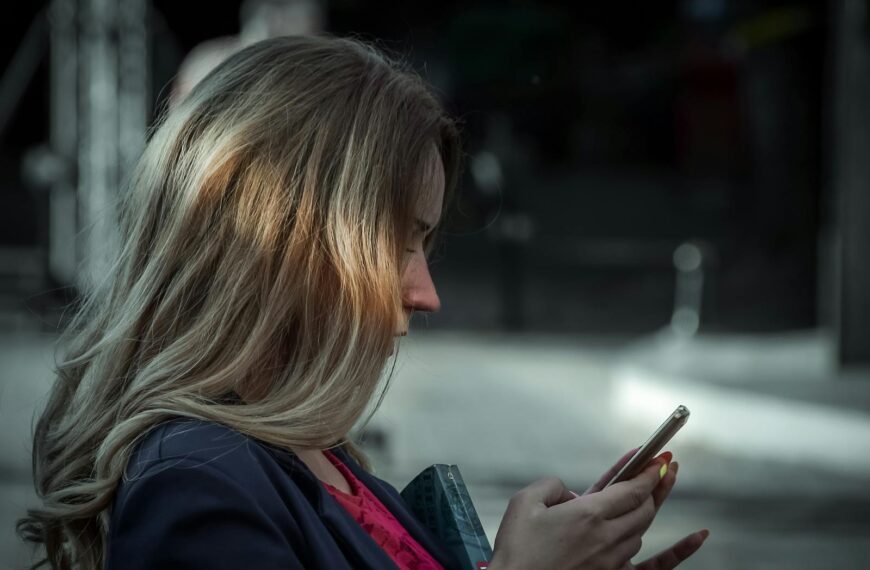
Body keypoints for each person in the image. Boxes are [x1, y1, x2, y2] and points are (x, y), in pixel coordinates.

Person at [16, 35, 709, 569]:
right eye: (398, 243)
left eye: (424, 244)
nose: (426, 295)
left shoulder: (309, 455)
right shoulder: (195, 482)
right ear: (279, 243)